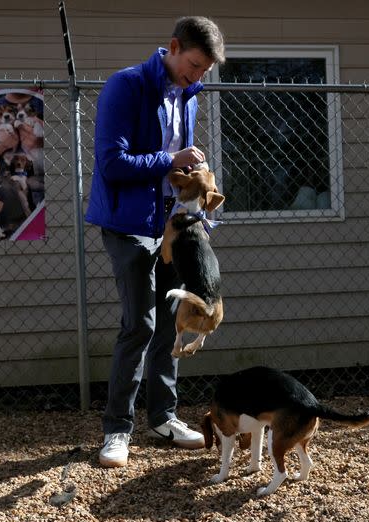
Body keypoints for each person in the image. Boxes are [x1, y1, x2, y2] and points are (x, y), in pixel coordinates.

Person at [85, 16, 225, 468]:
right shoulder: (126, 86)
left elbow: (175, 169)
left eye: (205, 71)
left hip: (173, 224)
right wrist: (171, 159)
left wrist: (196, 206)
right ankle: (117, 430)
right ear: (173, 46)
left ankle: (163, 417)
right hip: (128, 224)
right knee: (140, 323)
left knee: (171, 321)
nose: (198, 75)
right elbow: (113, 162)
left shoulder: (188, 95)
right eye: (195, 64)